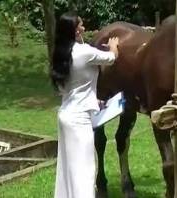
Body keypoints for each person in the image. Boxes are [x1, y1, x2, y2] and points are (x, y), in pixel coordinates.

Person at [50, 11, 119, 198]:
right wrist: (113, 46)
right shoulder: (84, 52)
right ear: (74, 30)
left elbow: (70, 88)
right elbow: (111, 59)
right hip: (79, 120)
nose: (84, 27)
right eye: (80, 25)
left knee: (67, 168)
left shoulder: (61, 53)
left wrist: (93, 99)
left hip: (66, 115)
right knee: (85, 170)